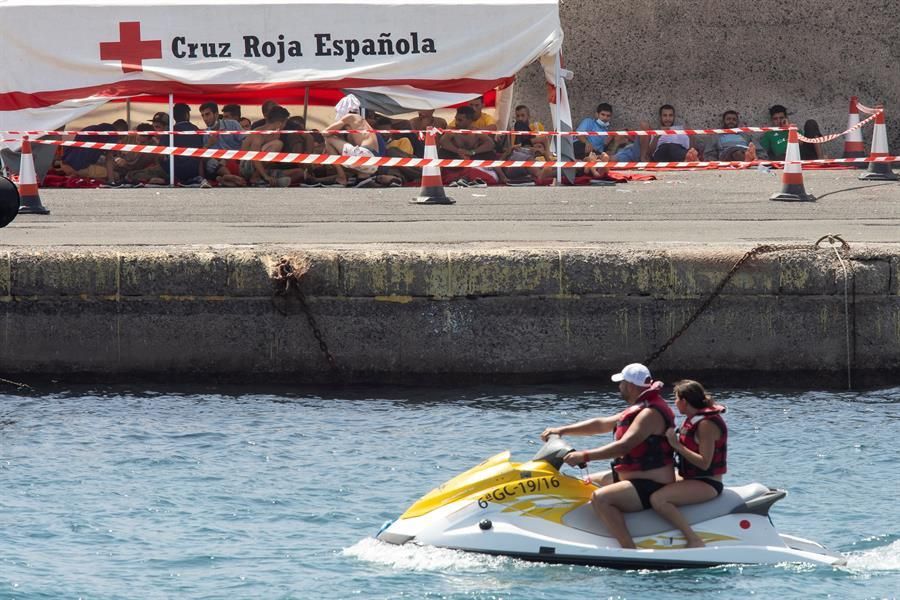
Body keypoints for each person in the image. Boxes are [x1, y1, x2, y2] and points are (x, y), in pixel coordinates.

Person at [540, 363, 675, 549]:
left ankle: (629, 550)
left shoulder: (649, 414)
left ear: (629, 386)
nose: (619, 387)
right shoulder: (640, 408)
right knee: (574, 483)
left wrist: (584, 456)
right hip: (632, 478)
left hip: (651, 485)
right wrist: (562, 430)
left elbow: (623, 447)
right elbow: (601, 424)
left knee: (600, 498)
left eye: (621, 384)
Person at [649, 380, 727, 548]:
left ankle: (693, 539)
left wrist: (676, 445)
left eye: (676, 399)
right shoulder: (693, 420)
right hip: (691, 478)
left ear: (684, 401)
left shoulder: (706, 424)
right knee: (653, 484)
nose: (675, 403)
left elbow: (705, 463)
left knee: (658, 499)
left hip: (708, 482)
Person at [322, 94, 380, 186]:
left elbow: (326, 132)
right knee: (352, 148)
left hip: (364, 155)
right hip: (375, 162)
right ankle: (362, 178)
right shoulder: (362, 122)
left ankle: (342, 178)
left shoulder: (350, 117)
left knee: (329, 139)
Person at [198, 101, 244, 187]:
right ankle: (230, 178)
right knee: (208, 160)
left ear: (216, 114)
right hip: (219, 165)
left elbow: (245, 142)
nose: (205, 118)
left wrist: (228, 157)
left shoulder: (232, 124)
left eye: (207, 114)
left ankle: (227, 179)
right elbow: (202, 155)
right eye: (203, 115)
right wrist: (209, 144)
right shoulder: (206, 133)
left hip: (236, 159)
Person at [759, 104, 824, 161]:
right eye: (775, 119)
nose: (779, 121)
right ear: (772, 120)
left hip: (801, 154)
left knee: (811, 123)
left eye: (781, 118)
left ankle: (821, 159)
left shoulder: (794, 129)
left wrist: (789, 129)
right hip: (785, 158)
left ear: (786, 118)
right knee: (780, 157)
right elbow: (761, 151)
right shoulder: (769, 134)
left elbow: (802, 143)